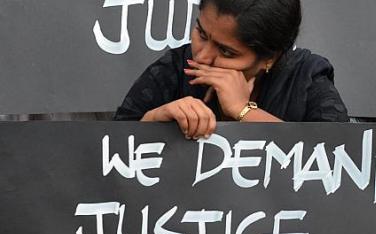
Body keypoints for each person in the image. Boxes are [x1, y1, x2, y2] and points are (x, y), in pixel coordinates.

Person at [114, 0, 349, 138]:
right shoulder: (176, 68)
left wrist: (244, 111)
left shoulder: (307, 80)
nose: (203, 56)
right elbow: (107, 153)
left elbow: (342, 162)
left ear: (270, 58)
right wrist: (155, 120)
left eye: (227, 52)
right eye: (201, 34)